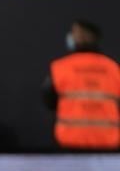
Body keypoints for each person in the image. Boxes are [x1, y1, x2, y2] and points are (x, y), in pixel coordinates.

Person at [43, 20, 120, 151]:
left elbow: (49, 100)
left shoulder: (60, 68)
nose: (71, 37)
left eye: (74, 32)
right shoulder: (113, 69)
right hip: (108, 146)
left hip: (70, 143)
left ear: (85, 36)